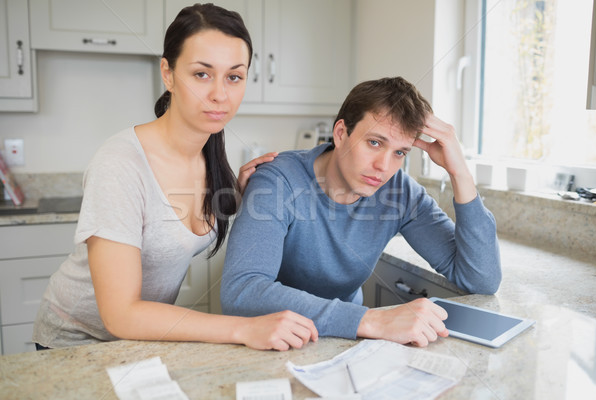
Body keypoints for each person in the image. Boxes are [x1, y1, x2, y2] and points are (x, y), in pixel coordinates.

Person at [33, 3, 317, 352]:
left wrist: (237, 195)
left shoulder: (209, 152)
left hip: (138, 341)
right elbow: (120, 315)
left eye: (234, 76)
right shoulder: (120, 164)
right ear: (167, 73)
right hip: (76, 342)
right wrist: (244, 328)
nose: (219, 94)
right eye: (201, 74)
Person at [221, 76, 502, 347]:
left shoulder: (400, 192)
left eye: (400, 153)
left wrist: (459, 172)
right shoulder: (278, 181)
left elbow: (481, 278)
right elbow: (242, 290)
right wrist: (372, 320)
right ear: (341, 133)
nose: (384, 166)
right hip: (274, 341)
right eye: (375, 142)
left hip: (345, 340)